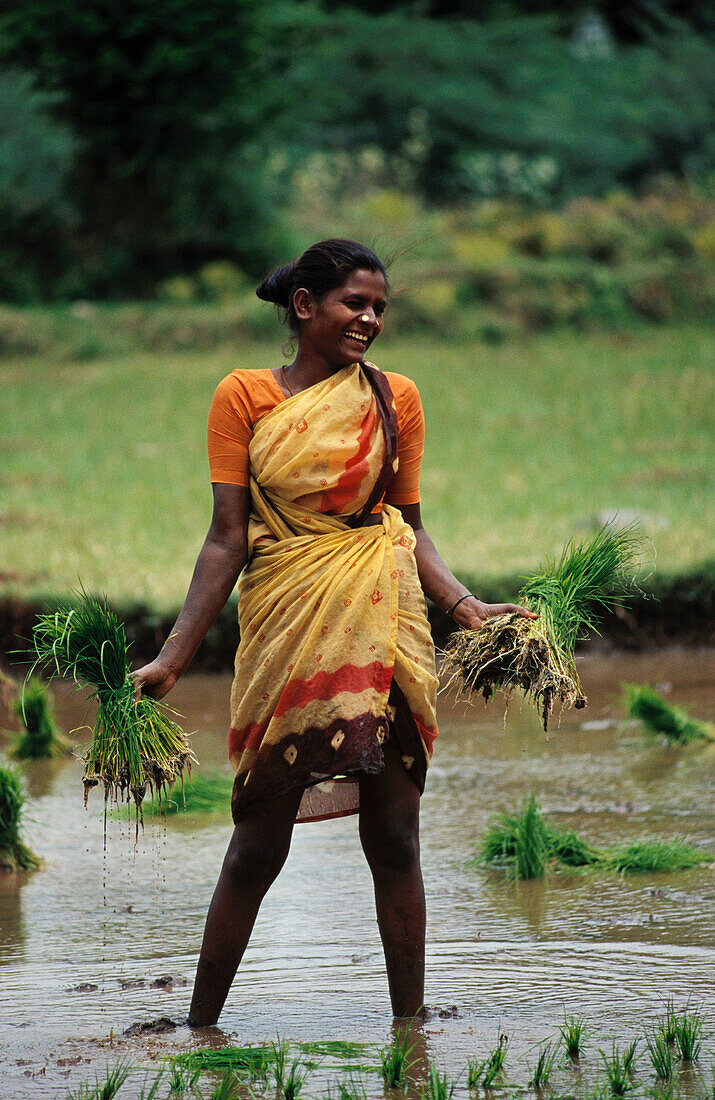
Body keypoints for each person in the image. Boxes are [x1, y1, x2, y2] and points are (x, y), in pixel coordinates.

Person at [133, 239, 535, 1027]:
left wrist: (464, 607)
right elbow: (225, 537)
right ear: (304, 305)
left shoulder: (395, 398)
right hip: (288, 616)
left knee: (396, 835)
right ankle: (199, 1025)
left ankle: (409, 1034)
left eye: (380, 306)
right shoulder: (244, 396)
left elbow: (407, 525)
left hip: (381, 616)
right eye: (356, 302)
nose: (371, 319)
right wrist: (173, 657)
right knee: (257, 839)